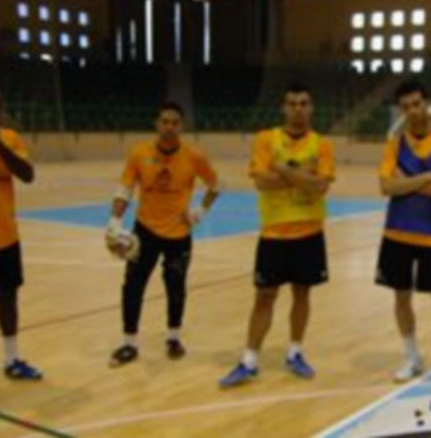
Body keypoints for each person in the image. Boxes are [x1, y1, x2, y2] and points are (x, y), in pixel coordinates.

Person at [219, 84, 334, 388]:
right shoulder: (265, 139)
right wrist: (303, 176)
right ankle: (249, 361)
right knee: (263, 297)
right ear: (284, 108)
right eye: (293, 103)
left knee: (302, 295)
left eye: (304, 103)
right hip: (274, 233)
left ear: (312, 108)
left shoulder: (321, 145)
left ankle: (295, 352)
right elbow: (262, 184)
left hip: (309, 232)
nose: (298, 108)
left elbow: (320, 186)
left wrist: (281, 169)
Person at [106, 101, 220, 366]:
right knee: (133, 286)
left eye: (175, 122)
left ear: (181, 126)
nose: (169, 127)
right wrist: (114, 220)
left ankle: (173, 338)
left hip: (179, 234)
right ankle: (129, 344)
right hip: (144, 231)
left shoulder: (194, 156)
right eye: (165, 121)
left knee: (176, 287)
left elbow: (216, 184)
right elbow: (124, 190)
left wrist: (199, 212)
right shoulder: (139, 154)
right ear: (157, 124)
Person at [376, 80, 431, 389]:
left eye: (417, 104)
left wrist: (408, 180)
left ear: (427, 104)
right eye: (406, 106)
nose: (412, 111)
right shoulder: (394, 144)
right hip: (397, 234)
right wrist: (428, 177)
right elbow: (386, 187)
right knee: (401, 298)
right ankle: (412, 357)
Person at [0, 82, 42, 380]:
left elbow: (28, 175)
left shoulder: (9, 138)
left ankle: (11, 359)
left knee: (7, 300)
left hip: (3, 237)